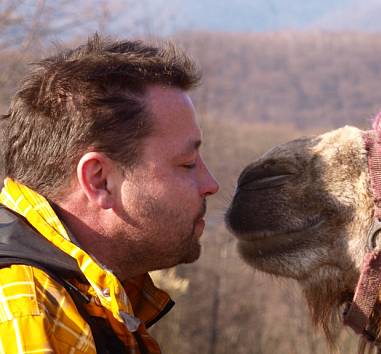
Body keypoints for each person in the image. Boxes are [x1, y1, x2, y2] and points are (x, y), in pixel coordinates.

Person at [0, 34, 219, 353]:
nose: (210, 183)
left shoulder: (93, 303)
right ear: (99, 180)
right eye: (186, 165)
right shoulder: (23, 310)